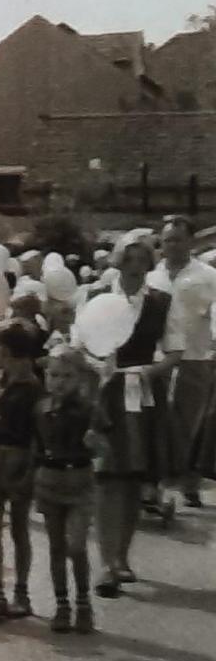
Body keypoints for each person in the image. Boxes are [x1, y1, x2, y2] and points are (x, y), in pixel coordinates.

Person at [93, 232, 179, 596]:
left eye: (142, 260)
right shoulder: (96, 297)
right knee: (106, 477)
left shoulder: (161, 303)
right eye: (128, 260)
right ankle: (106, 562)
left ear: (149, 263)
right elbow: (77, 345)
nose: (134, 267)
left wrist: (147, 372)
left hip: (141, 393)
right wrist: (99, 367)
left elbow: (174, 353)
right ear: (117, 262)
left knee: (131, 478)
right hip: (104, 391)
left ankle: (121, 557)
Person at [0, 321, 42, 625]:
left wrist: (30, 470)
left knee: (18, 529)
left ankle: (22, 592)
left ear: (10, 352)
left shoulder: (34, 389)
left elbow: (37, 434)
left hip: (18, 461)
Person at [35, 346, 105, 633]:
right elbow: (36, 447)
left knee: (76, 546)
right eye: (53, 375)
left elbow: (104, 447)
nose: (59, 382)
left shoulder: (90, 410)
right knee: (55, 546)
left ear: (79, 378)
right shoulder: (41, 408)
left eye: (66, 375)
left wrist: (94, 442)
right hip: (49, 480)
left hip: (79, 480)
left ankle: (83, 601)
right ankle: (62, 605)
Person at [151, 216, 216, 506]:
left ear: (190, 241)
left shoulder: (208, 276)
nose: (172, 246)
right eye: (167, 240)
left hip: (194, 357)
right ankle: (162, 482)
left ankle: (188, 480)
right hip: (158, 359)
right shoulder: (153, 275)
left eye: (177, 239)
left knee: (189, 421)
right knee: (159, 419)